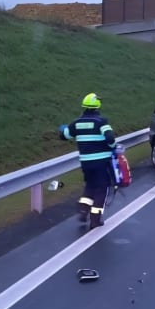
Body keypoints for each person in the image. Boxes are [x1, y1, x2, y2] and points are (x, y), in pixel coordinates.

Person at [59, 93, 117, 230]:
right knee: (102, 188)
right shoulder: (101, 122)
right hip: (102, 163)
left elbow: (64, 136)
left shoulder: (76, 123)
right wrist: (114, 148)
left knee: (90, 185)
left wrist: (63, 129)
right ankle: (95, 219)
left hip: (86, 163)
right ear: (98, 106)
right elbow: (110, 138)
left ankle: (83, 211)